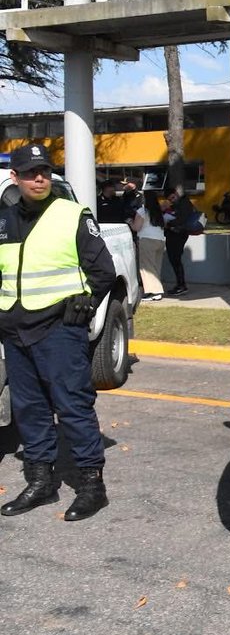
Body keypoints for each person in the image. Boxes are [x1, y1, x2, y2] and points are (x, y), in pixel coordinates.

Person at [0, 143, 116, 521]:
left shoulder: (72, 215)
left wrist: (85, 306)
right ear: (14, 177)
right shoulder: (3, 221)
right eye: (31, 172)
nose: (39, 178)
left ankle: (91, 486)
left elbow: (103, 272)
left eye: (45, 172)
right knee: (29, 410)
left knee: (72, 406)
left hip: (58, 330)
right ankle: (41, 483)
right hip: (15, 332)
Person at [163, 186, 194, 295]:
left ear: (176, 193)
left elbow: (181, 219)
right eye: (170, 199)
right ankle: (180, 284)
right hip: (176, 233)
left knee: (175, 260)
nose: (172, 200)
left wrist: (169, 223)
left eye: (172, 197)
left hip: (178, 234)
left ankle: (181, 285)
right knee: (175, 260)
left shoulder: (184, 203)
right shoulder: (180, 203)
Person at [137, 190, 167, 301]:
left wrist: (130, 222)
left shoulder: (142, 211)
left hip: (147, 240)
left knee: (147, 267)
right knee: (156, 267)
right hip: (160, 240)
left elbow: (136, 227)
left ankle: (155, 292)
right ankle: (155, 290)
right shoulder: (158, 211)